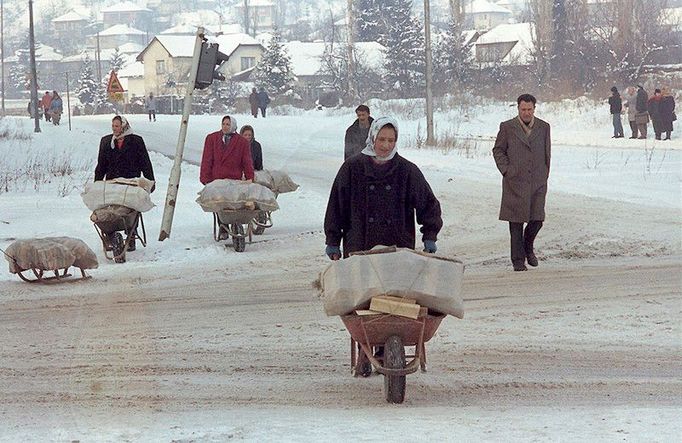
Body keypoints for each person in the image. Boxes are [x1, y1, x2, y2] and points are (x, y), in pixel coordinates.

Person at [324, 116, 442, 377]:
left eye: (391, 140)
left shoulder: (407, 171)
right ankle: (367, 349)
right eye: (381, 139)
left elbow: (428, 205)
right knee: (364, 301)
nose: (386, 145)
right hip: (360, 245)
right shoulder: (352, 169)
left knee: (392, 303)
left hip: (396, 248)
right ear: (372, 139)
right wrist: (333, 240)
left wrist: (430, 233)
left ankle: (382, 349)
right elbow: (337, 207)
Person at [492, 94, 551, 272]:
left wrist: (544, 174)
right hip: (515, 182)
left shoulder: (544, 127)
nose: (526, 113)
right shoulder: (507, 127)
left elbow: (547, 153)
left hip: (537, 182)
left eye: (529, 109)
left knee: (537, 219)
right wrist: (507, 170)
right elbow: (498, 150)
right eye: (523, 109)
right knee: (516, 223)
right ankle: (518, 261)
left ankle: (528, 246)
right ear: (518, 109)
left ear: (534, 109)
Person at [94, 115, 155, 251]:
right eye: (113, 126)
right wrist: (97, 184)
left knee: (130, 209)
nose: (114, 129)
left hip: (131, 182)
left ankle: (131, 234)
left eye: (117, 126)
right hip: (112, 183)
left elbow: (145, 162)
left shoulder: (136, 141)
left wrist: (150, 181)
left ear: (124, 126)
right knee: (111, 210)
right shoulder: (106, 142)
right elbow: (101, 165)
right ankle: (110, 235)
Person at [200, 115, 254, 185]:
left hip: (234, 180)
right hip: (215, 180)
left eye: (228, 124)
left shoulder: (242, 142)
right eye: (223, 124)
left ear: (233, 125)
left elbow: (247, 161)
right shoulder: (212, 138)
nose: (225, 126)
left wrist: (250, 177)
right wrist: (205, 178)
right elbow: (207, 160)